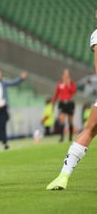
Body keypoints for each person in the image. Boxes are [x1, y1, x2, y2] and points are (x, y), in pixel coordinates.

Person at [46, 29, 97, 190]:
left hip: (68, 102)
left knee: (89, 130)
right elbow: (58, 92)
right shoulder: (61, 84)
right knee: (86, 127)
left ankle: (63, 176)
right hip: (64, 102)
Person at [52, 69, 77, 142]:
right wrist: (53, 104)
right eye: (65, 75)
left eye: (67, 75)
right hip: (62, 103)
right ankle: (62, 137)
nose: (66, 76)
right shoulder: (60, 84)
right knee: (62, 120)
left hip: (69, 103)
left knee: (70, 121)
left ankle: (70, 137)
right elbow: (56, 94)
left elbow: (73, 92)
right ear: (62, 76)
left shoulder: (71, 83)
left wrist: (68, 84)